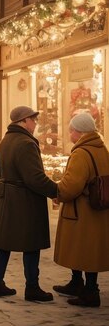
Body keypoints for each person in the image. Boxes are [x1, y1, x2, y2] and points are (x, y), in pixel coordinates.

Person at [0, 106, 58, 301]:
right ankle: (32, 287)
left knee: (4, 244)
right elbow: (34, 178)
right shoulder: (25, 143)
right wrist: (55, 191)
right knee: (31, 244)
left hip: (8, 199)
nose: (35, 124)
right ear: (24, 121)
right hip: (24, 201)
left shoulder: (6, 140)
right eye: (33, 120)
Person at [53, 112, 109, 307]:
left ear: (78, 132)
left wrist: (57, 193)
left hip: (82, 211)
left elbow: (72, 185)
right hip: (98, 209)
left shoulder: (81, 153)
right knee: (89, 249)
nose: (69, 133)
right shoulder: (101, 149)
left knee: (82, 249)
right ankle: (78, 282)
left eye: (71, 130)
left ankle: (90, 291)